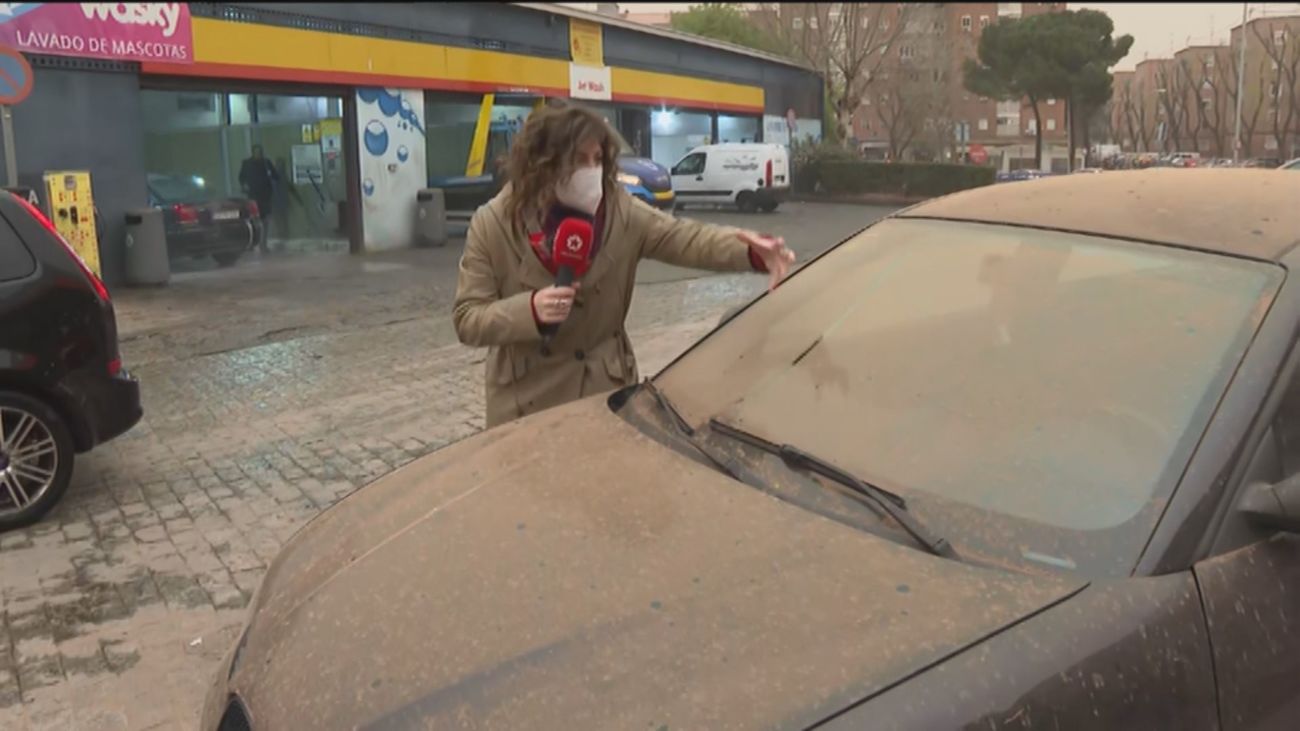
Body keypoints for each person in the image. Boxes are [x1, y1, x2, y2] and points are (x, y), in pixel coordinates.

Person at [454, 104, 796, 428]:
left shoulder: (620, 211)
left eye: (598, 159)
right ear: (544, 163)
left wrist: (749, 251)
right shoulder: (494, 223)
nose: (591, 171)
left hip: (603, 395)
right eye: (578, 159)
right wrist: (529, 310)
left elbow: (685, 237)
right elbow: (468, 318)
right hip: (524, 406)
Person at [239, 145, 279, 251]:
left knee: (265, 220)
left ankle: (263, 243)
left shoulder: (266, 163)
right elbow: (241, 177)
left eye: (259, 152)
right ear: (252, 152)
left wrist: (271, 180)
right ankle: (252, 243)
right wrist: (244, 186)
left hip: (265, 195)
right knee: (253, 220)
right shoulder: (247, 164)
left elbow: (276, 176)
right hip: (253, 196)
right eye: (256, 152)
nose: (257, 154)